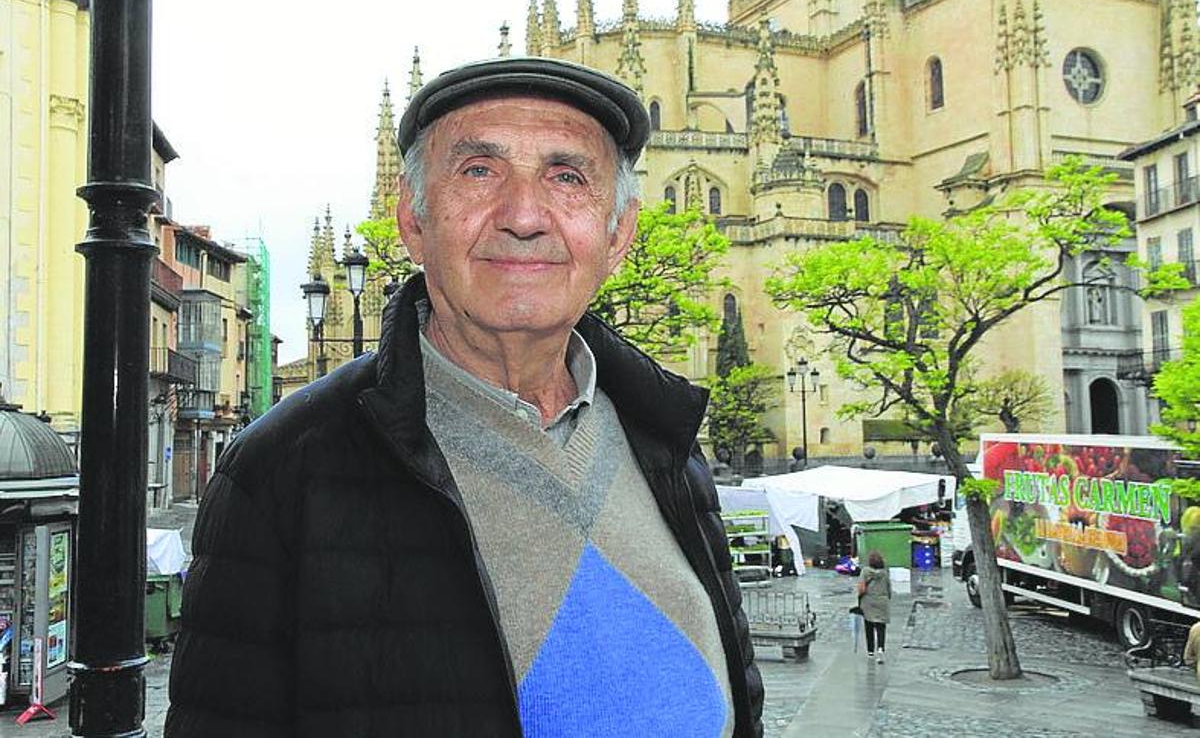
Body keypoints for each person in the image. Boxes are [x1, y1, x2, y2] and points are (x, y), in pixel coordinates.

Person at [165, 57, 763, 738]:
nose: (525, 216)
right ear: (414, 222)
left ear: (617, 234)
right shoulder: (279, 471)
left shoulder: (672, 449)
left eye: (567, 177)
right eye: (479, 171)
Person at [858, 550, 892, 663]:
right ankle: (881, 649)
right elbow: (889, 588)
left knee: (869, 626)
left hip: (868, 601)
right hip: (882, 601)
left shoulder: (865, 571)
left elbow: (862, 588)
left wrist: (859, 596)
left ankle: (870, 651)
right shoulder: (885, 573)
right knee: (881, 627)